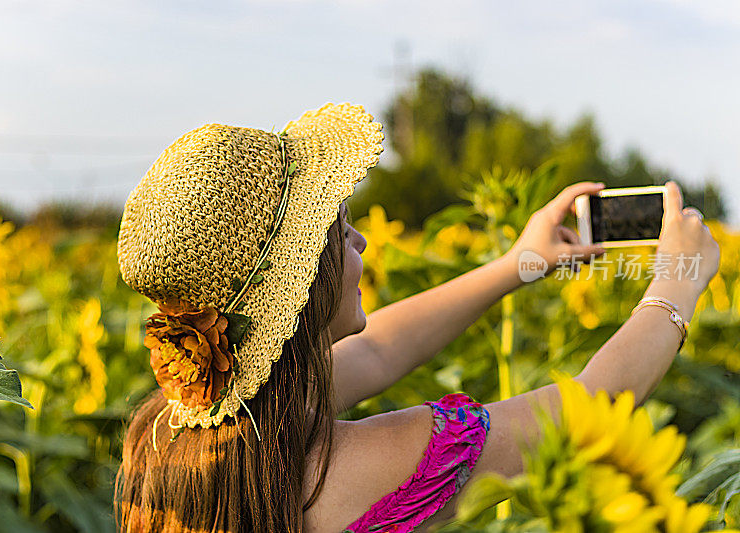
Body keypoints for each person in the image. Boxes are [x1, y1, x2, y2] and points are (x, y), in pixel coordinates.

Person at [113, 103, 720, 533]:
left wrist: (518, 265)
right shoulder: (357, 468)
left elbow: (378, 350)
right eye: (335, 233)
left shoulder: (180, 434)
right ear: (303, 286)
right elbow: (587, 407)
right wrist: (679, 281)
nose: (361, 242)